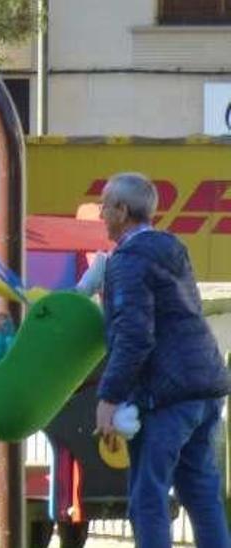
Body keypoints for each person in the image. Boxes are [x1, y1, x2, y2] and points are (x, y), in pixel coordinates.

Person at [92, 172, 231, 548]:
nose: (100, 213)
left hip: (165, 395)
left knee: (148, 498)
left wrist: (109, 397)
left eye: (105, 205)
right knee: (201, 494)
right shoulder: (170, 248)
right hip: (205, 384)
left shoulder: (128, 261)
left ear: (122, 210)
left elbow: (135, 336)